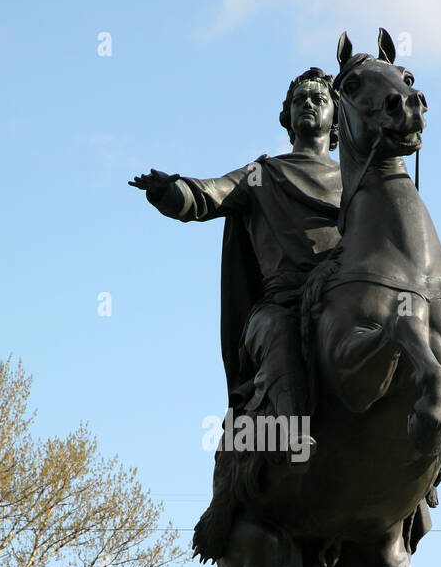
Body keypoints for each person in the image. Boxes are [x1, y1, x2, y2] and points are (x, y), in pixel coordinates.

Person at [130, 68, 341, 455]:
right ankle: (293, 434)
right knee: (277, 328)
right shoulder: (263, 175)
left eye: (318, 99)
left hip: (343, 300)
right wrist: (171, 190)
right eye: (299, 100)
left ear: (336, 119)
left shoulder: (357, 183)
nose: (308, 104)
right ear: (288, 119)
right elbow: (209, 195)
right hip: (281, 306)